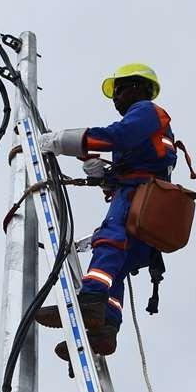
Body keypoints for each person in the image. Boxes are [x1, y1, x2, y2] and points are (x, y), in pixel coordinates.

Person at [36, 62, 181, 358]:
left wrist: (62, 141)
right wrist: (105, 174)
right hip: (149, 214)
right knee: (118, 267)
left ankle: (91, 300)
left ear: (136, 87)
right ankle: (105, 328)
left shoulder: (146, 111)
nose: (115, 98)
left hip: (139, 198)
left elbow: (116, 135)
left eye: (118, 90)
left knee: (110, 241)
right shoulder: (149, 126)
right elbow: (137, 159)